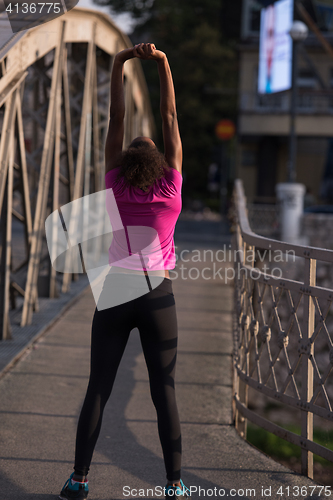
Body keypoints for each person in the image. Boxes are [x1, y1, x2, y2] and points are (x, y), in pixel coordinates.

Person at [59, 43, 190, 500]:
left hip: (114, 293)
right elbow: (170, 118)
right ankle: (174, 485)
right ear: (156, 162)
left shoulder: (114, 184)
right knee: (165, 392)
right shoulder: (171, 187)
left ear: (128, 162)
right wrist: (163, 63)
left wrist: (118, 62)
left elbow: (116, 120)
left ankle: (78, 479)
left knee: (99, 387)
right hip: (159, 296)